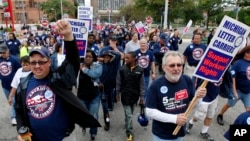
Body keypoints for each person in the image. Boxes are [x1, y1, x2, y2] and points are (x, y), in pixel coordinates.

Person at [15, 20, 101, 141]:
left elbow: (72, 62)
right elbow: (19, 110)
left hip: (63, 137)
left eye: (41, 61)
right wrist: (21, 129)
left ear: (49, 62)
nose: (37, 66)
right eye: (33, 62)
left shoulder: (58, 78)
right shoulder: (23, 84)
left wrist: (69, 36)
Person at [145, 51, 207, 141]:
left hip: (180, 132)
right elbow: (149, 111)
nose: (176, 68)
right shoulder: (156, 85)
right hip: (162, 135)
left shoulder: (187, 80)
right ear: (163, 67)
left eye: (179, 65)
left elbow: (193, 105)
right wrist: (174, 118)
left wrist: (199, 97)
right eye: (172, 65)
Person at [217, 45, 250, 126]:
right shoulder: (238, 63)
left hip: (247, 93)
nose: (249, 54)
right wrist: (234, 91)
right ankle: (220, 114)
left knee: (248, 110)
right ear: (244, 53)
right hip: (238, 91)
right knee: (229, 105)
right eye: (248, 52)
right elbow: (233, 78)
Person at [116, 51, 145, 141]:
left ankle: (127, 122)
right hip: (125, 95)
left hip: (134, 96)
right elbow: (118, 82)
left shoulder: (140, 70)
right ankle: (129, 133)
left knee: (130, 113)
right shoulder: (122, 69)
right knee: (129, 115)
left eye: (128, 58)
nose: (125, 59)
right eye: (125, 58)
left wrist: (142, 97)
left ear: (133, 59)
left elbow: (142, 85)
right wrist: (117, 94)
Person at [77, 49, 103, 140]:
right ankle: (84, 125)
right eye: (85, 57)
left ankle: (93, 133)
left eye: (89, 57)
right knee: (83, 115)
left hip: (94, 96)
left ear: (93, 58)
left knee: (93, 116)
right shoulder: (78, 67)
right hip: (81, 96)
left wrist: (84, 69)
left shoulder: (98, 66)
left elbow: (95, 75)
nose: (87, 58)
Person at [0, 42, 21, 126]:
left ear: (8, 51)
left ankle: (13, 117)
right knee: (11, 101)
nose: (2, 54)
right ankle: (17, 114)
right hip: (5, 86)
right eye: (1, 53)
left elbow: (20, 71)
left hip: (14, 86)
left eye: (4, 52)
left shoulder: (14, 59)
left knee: (13, 101)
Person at [99, 50, 121, 131]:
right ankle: (107, 123)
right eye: (105, 57)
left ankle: (111, 105)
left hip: (111, 88)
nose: (106, 59)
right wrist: (99, 83)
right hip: (102, 90)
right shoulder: (100, 66)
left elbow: (118, 56)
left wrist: (111, 51)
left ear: (111, 58)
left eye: (108, 57)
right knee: (105, 108)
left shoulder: (113, 65)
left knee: (110, 100)